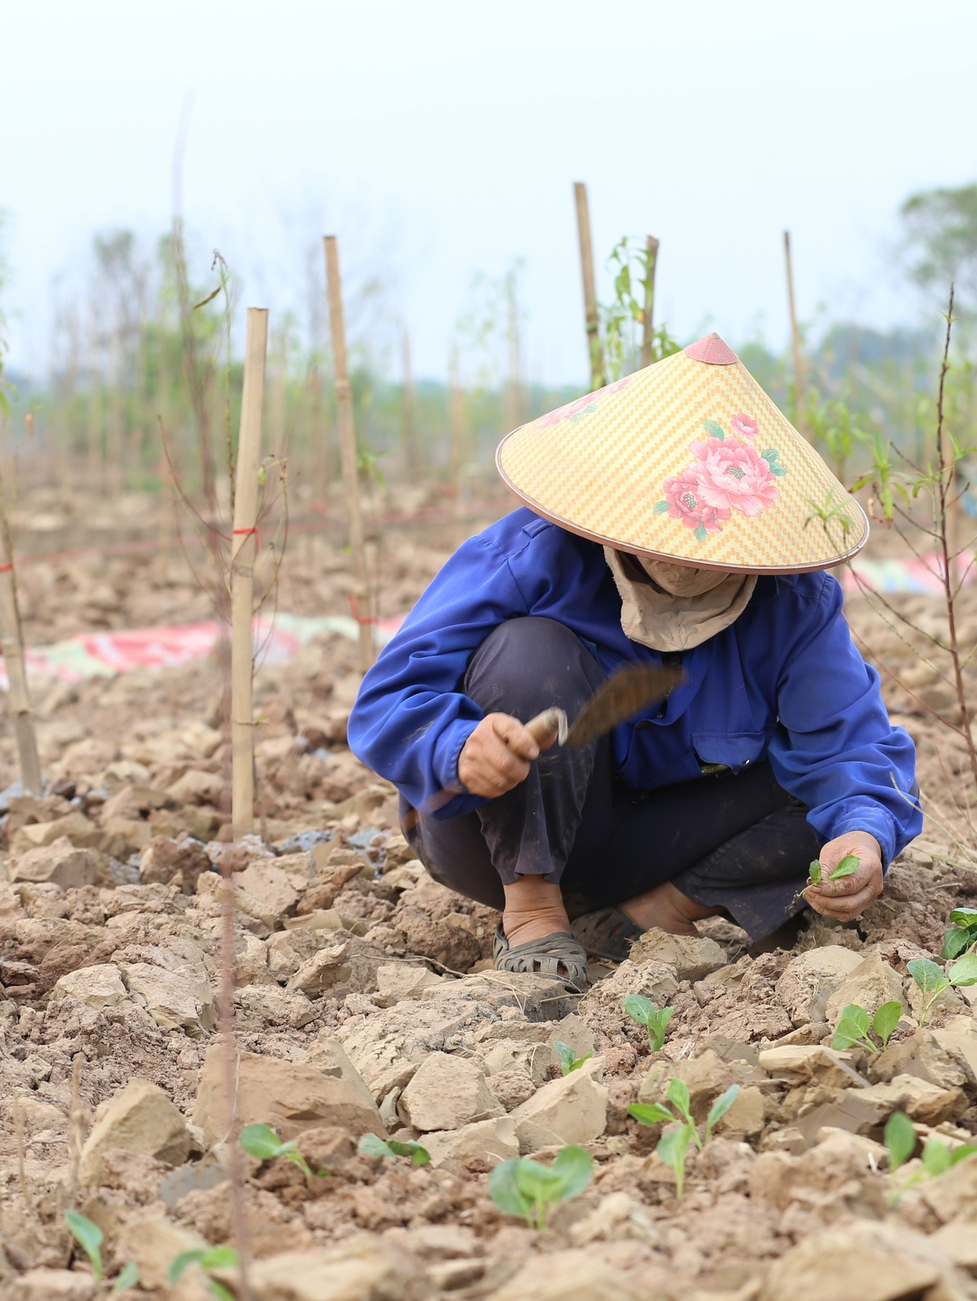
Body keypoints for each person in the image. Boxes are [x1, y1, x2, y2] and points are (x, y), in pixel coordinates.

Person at [348, 333, 919, 989]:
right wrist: (459, 746)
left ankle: (656, 911)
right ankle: (533, 909)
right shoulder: (535, 555)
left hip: (661, 847)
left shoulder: (793, 603)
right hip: (494, 841)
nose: (685, 551)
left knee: (835, 804)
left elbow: (854, 750)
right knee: (531, 651)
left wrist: (862, 839)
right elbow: (386, 700)